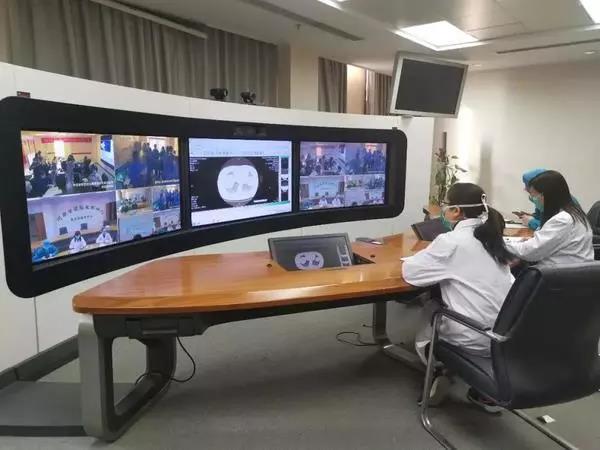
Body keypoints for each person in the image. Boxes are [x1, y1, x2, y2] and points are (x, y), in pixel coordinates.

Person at [402, 183, 514, 413]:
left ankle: (439, 368)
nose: (442, 210)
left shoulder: (452, 241)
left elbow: (412, 274)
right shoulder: (492, 237)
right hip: (505, 336)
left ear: (456, 211)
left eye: (445, 205)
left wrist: (420, 258)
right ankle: (478, 387)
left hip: (471, 335)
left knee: (431, 307)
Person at [506, 170, 594, 267]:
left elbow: (530, 252)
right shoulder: (573, 212)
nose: (533, 199)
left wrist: (500, 244)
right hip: (569, 269)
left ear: (546, 195)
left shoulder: (562, 220)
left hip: (558, 273)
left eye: (534, 195)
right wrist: (526, 242)